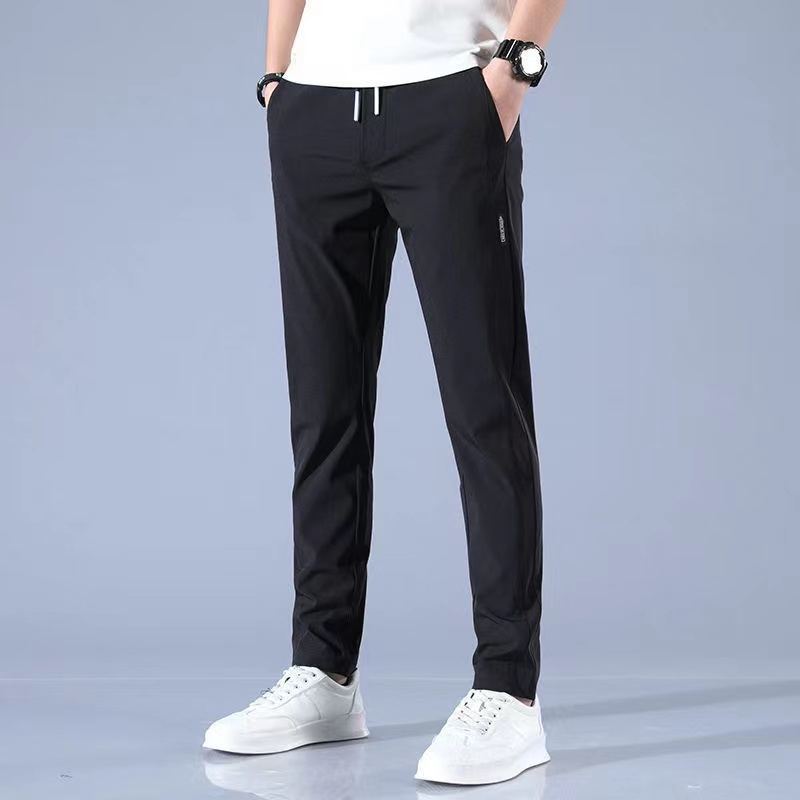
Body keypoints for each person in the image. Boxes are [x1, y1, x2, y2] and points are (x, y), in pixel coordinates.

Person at [203, 0, 567, 786]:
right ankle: (323, 670)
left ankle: (509, 688)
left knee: (484, 404)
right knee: (322, 409)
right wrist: (278, 79)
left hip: (451, 99)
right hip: (313, 110)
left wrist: (514, 68)